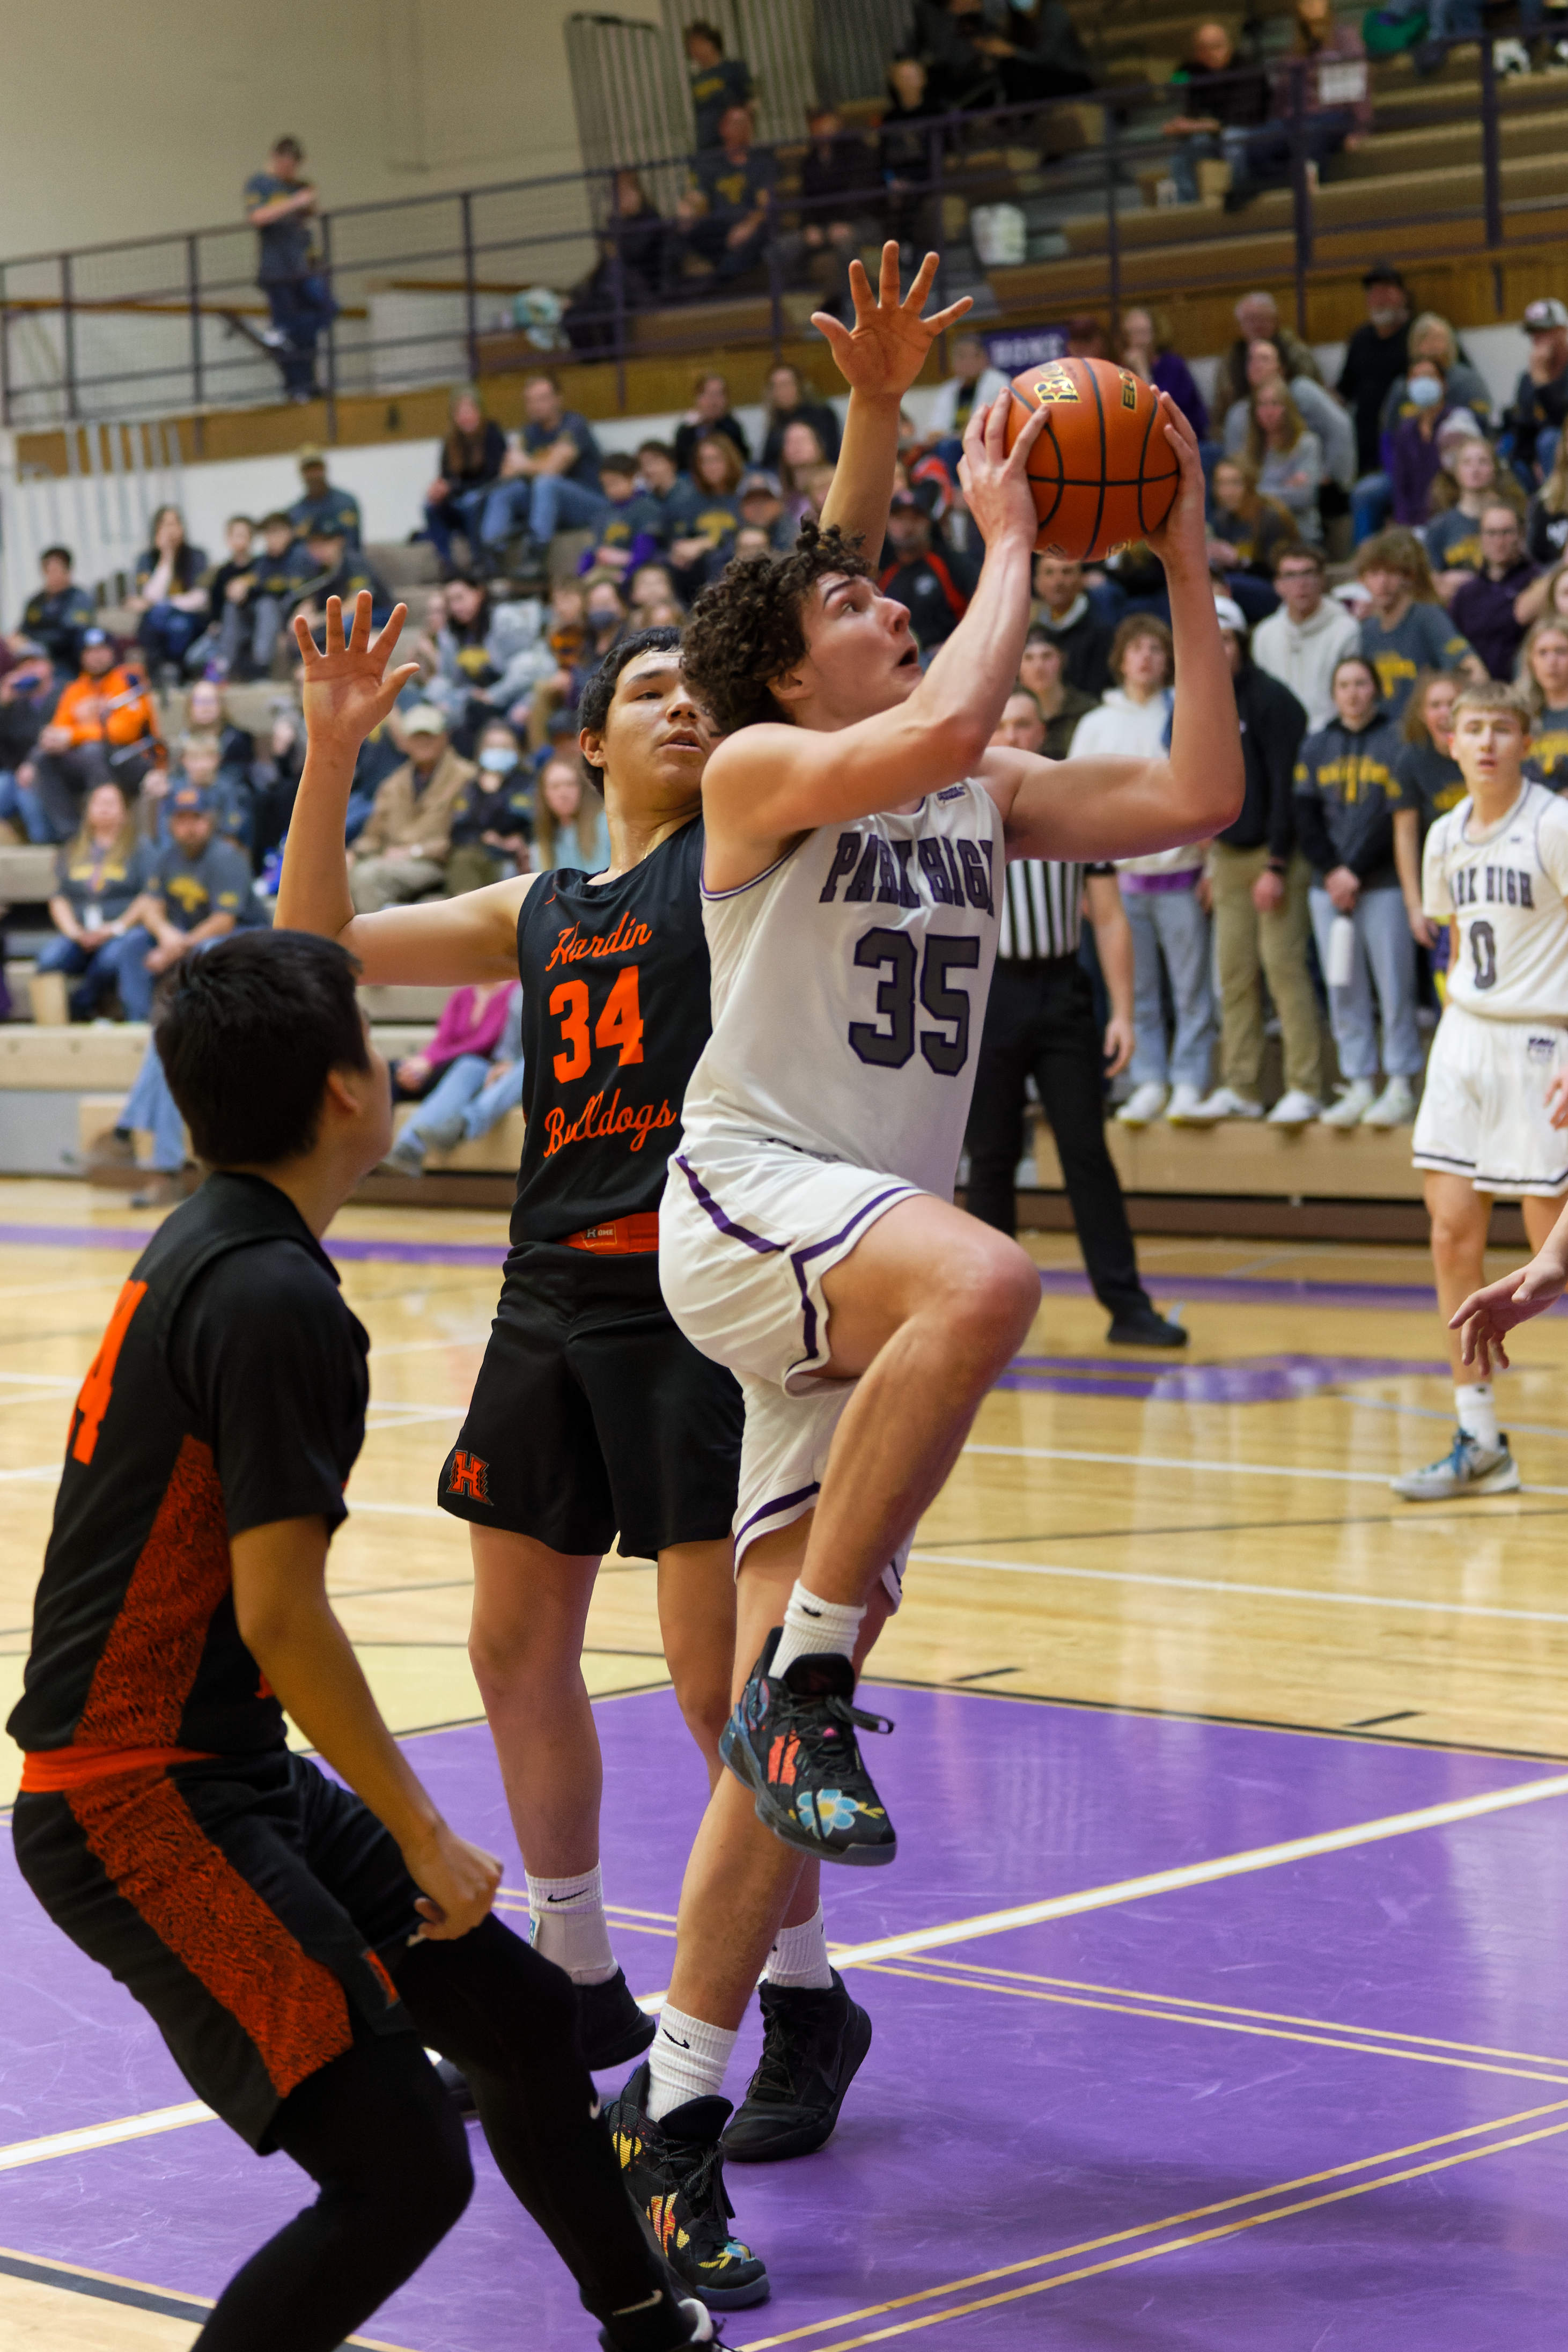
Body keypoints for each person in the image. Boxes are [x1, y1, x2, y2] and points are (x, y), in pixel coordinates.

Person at [276, 260, 970, 2287]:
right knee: (512, 1647)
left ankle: (800, 1994)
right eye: (646, 690)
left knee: (708, 1684)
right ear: (586, 742)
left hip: (704, 1283)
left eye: (699, 687)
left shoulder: (749, 840)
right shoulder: (543, 894)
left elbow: (810, 609)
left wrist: (870, 423)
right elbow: (313, 948)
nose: (682, 701)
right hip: (546, 1289)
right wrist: (329, 756)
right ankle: (575, 1974)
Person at [615, 385, 1239, 2274]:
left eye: (899, 592)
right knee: (989, 1275)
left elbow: (1196, 797)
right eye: (855, 604)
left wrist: (1185, 559)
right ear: (785, 678)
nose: (892, 603)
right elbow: (951, 716)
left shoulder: (980, 791)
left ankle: (670, 2118)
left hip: (853, 1268)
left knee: (761, 1754)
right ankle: (813, 1682)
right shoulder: (755, 774)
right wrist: (1017, 530)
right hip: (754, 1201)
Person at [9, 925, 715, 2352]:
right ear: (349, 1088)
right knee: (403, 2168)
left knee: (521, 2016)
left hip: (219, 1769)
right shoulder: (273, 1297)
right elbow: (280, 1613)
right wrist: (419, 1832)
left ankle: (650, 2325)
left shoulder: (227, 1242)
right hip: (132, 1803)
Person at [966, 685, 1187, 1344]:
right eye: (1003, 724)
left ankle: (1127, 1306)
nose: (1015, 734)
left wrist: (1124, 1012)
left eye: (1025, 724)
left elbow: (1110, 917)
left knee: (1087, 1152)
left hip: (1063, 990)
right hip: (989, 993)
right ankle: (984, 1316)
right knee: (992, 1156)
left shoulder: (1069, 803)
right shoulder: (961, 805)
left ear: (1043, 732)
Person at [1390, 684, 1568, 1500]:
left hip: (1543, 1041)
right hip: (1464, 1037)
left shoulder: (1553, 823)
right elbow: (1459, 944)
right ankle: (1479, 1438)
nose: (1486, 740)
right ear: (1449, 742)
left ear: (1527, 742)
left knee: (1550, 1248)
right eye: (1472, 728)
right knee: (1450, 1236)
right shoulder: (1441, 835)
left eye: (1502, 727)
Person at [1069, 616, 1216, 1127]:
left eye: (1155, 648)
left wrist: (1212, 867)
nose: (1146, 658)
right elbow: (1074, 803)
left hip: (1180, 875)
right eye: (1136, 649)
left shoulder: (1184, 712)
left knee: (1192, 989)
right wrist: (1084, 880)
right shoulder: (1096, 724)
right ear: (1120, 659)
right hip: (1121, 883)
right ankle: (1149, 1079)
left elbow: (1208, 790)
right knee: (1138, 991)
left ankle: (1191, 1081)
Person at [1194, 597, 1322, 1124]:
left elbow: (1288, 790)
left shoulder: (1274, 701)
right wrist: (1210, 856)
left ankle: (1305, 1086)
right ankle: (1241, 1086)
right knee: (1233, 974)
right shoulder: (1202, 699)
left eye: (1226, 640)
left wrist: (1275, 865)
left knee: (1284, 970)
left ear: (1241, 643)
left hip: (1277, 855)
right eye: (1211, 641)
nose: (1219, 650)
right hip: (1228, 854)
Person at [1294, 652, 1422, 1126]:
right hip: (1327, 889)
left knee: (1394, 987)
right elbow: (1304, 814)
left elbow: (1394, 818)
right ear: (1333, 693)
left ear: (1376, 689)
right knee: (1342, 986)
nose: (1352, 693)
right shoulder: (1316, 745)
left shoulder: (1397, 741)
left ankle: (1400, 1083)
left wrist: (1355, 871)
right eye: (1344, 685)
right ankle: (1358, 1082)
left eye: (1361, 684)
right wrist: (1332, 871)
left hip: (1382, 885)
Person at [115, 782, 258, 1019]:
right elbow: (151, 906)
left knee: (206, 952)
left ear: (210, 820)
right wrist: (166, 935)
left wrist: (176, 948)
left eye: (196, 818)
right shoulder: (166, 858)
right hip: (184, 934)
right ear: (170, 823)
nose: (189, 827)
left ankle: (201, 1023)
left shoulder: (227, 857)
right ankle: (138, 1022)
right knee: (134, 942)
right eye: (182, 819)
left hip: (239, 935)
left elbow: (224, 921)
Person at [1230, 0, 1370, 203]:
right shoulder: (1294, 49)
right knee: (1257, 145)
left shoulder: (1344, 38)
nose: (1311, 4)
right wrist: (1275, 121)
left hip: (1333, 114)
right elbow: (1282, 96)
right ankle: (1288, 181)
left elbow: (1359, 85)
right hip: (1294, 118)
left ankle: (1309, 194)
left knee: (1309, 138)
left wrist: (1360, 128)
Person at [35, 781, 153, 1019]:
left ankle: (82, 1003)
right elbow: (59, 898)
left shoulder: (141, 849)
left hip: (121, 931)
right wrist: (75, 932)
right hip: (79, 934)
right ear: (87, 810)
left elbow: (149, 898)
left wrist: (115, 928)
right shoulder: (72, 850)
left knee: (110, 960)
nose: (104, 809)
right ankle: (51, 1023)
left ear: (125, 812)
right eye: (99, 803)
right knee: (49, 958)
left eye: (111, 803)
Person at [28, 627, 160, 840]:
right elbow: (60, 728)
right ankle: (71, 835)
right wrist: (53, 739)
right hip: (91, 759)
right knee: (43, 758)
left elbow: (123, 732)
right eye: (90, 651)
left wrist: (76, 735)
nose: (97, 656)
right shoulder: (76, 689)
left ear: (112, 652)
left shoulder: (130, 679)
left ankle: (108, 833)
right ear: (82, 656)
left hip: (134, 757)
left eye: (102, 650)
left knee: (92, 750)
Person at [386, 981, 527, 1175]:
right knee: (467, 1066)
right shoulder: (474, 994)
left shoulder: (512, 990)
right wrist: (425, 1060)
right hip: (486, 1071)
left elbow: (485, 1042)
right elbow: (506, 1050)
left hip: (538, 1072)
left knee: (531, 1062)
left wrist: (430, 1062)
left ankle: (463, 1124)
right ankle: (407, 1147)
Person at [348, 704, 474, 913]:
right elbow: (373, 835)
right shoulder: (393, 784)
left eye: (429, 736)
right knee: (341, 872)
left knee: (367, 876)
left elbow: (465, 836)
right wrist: (354, 853)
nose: (423, 743)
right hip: (392, 861)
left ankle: (375, 934)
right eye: (417, 737)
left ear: (444, 737)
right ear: (405, 742)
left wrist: (415, 851)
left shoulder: (466, 777)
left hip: (438, 863)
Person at [480, 375, 605, 579]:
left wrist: (525, 465)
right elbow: (506, 473)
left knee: (546, 484)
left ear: (558, 399)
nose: (535, 406)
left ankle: (536, 556)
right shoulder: (528, 432)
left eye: (542, 399)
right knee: (505, 492)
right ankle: (492, 554)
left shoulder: (574, 425)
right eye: (530, 400)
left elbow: (553, 470)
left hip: (589, 503)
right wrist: (534, 466)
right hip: (548, 505)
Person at [244, 137, 334, 401]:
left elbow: (311, 214)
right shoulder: (260, 183)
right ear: (276, 158)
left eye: (294, 165)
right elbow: (258, 217)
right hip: (277, 270)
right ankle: (297, 387)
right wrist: (294, 202)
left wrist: (308, 200)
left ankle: (306, 382)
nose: (290, 169)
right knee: (290, 333)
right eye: (286, 163)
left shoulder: (298, 186)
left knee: (319, 315)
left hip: (303, 267)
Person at [1357, 527, 1477, 719]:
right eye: (1374, 573)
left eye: (1391, 573)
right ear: (1362, 580)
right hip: (1382, 731)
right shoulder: (1367, 629)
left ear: (1407, 577)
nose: (1382, 582)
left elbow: (1471, 670)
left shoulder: (1428, 617)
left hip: (1423, 729)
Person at [1161, 20, 1271, 205]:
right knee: (1181, 156)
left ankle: (1241, 198)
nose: (1210, 53)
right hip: (1214, 134)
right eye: (1202, 49)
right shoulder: (1192, 70)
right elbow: (1174, 85)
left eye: (1216, 47)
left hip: (1251, 131)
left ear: (1229, 45)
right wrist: (1180, 125)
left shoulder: (1247, 68)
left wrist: (1202, 126)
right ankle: (1190, 209)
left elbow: (1242, 117)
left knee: (1232, 140)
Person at [1252, 543, 1360, 729]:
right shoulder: (1264, 634)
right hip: (1279, 735)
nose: (1301, 583)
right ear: (1278, 585)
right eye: (1290, 575)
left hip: (1331, 733)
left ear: (1322, 580)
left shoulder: (1346, 629)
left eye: (1308, 574)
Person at [1339, 264, 1414, 529]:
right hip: (1366, 453)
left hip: (1407, 453)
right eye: (1374, 292)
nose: (1380, 298)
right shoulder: (1360, 339)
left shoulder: (1418, 335)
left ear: (1402, 295)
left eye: (1387, 291)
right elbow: (1344, 391)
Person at [1392, 669, 1464, 937]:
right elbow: (1405, 836)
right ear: (1422, 714)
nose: (1445, 713)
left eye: (1452, 704)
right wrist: (1415, 906)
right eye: (1435, 705)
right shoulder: (1411, 759)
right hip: (1440, 888)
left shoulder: (1481, 749)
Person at [673, 106, 776, 294]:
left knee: (755, 238)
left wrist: (748, 227)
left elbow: (765, 205)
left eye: (745, 123)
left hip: (752, 225)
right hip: (721, 226)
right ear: (723, 128)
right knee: (678, 232)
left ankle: (716, 284)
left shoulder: (762, 162)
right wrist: (689, 208)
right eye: (735, 123)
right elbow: (700, 198)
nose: (741, 128)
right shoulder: (711, 162)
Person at [793, 110, 880, 317]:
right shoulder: (810, 162)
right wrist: (809, 227)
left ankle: (865, 298)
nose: (823, 130)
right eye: (818, 126)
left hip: (862, 223)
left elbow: (863, 195)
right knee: (784, 248)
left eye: (827, 125)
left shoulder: (859, 153)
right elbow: (807, 201)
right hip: (824, 228)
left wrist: (844, 223)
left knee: (844, 245)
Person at [877, 487, 978, 652]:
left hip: (952, 654)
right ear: (887, 524)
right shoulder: (883, 573)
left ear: (928, 522)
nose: (907, 526)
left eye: (915, 518)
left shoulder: (951, 563)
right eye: (899, 518)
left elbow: (981, 611)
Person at [1206, 454, 1300, 623]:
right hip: (1235, 585)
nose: (1228, 491)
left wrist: (1240, 560)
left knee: (1226, 586)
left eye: (1235, 483)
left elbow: (1280, 570)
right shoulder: (1222, 519)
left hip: (1273, 588)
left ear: (1250, 485)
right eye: (1222, 484)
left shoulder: (1270, 518)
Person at [1449, 504, 1538, 681]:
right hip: (1476, 689)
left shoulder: (1537, 583)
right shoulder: (1466, 594)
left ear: (1521, 535)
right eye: (1491, 533)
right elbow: (1453, 647)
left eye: (1507, 532)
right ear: (1480, 537)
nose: (1499, 541)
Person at [423, 389, 508, 575]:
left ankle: (480, 561)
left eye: (469, 411)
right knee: (430, 506)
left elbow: (493, 475)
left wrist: (454, 488)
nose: (465, 417)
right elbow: (446, 476)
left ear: (479, 411)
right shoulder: (450, 441)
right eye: (460, 413)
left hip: (487, 494)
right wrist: (439, 489)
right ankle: (446, 562)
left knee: (471, 501)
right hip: (459, 498)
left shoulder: (492, 433)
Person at [445, 719, 534, 894]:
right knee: (464, 858)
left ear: (517, 750)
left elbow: (528, 821)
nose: (498, 752)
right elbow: (459, 830)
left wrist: (512, 839)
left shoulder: (527, 783)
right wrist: (485, 836)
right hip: (477, 854)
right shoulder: (470, 786)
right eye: (492, 746)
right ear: (481, 751)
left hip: (515, 855)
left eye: (505, 747)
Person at [1427, 431, 1516, 595]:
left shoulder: (1511, 518)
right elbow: (1431, 582)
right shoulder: (1439, 526)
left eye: (1483, 462)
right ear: (1456, 471)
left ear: (1495, 469)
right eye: (1467, 463)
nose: (1475, 469)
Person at [128, 506, 210, 679]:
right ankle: (165, 671)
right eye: (165, 525)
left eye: (174, 524)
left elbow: (200, 598)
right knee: (155, 618)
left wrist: (168, 603)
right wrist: (166, 557)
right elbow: (152, 596)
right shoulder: (147, 559)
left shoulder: (197, 556)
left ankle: (174, 668)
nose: (170, 530)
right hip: (158, 620)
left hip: (190, 619)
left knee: (177, 623)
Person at [1214, 290, 1322, 416]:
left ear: (1276, 321)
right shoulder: (1231, 359)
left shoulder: (1294, 349)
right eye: (1251, 320)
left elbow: (1316, 391)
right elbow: (1222, 409)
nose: (1257, 325)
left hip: (1296, 416)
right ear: (1240, 325)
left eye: (1263, 319)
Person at [1245, 379, 1325, 545]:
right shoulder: (1251, 448)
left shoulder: (1306, 443)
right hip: (1258, 535)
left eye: (1275, 404)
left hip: (1300, 534)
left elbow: (1305, 497)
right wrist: (1284, 488)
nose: (1269, 412)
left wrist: (1258, 494)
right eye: (1262, 405)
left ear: (1288, 408)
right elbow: (1240, 497)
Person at [1502, 296, 1568, 489]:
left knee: (1549, 440)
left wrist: (1542, 382)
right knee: (1506, 449)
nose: (1537, 339)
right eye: (1533, 333)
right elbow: (1524, 422)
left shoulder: (1539, 374)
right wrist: (1528, 457)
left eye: (1544, 332)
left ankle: (1555, 502)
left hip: (1561, 443)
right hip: (1537, 449)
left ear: (1562, 331)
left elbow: (1562, 419)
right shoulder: (1527, 377)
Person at [667, 436, 744, 597]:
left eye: (716, 460)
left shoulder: (746, 495)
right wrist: (679, 550)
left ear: (730, 460)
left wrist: (707, 543)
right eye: (704, 461)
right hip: (698, 577)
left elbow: (752, 536)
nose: (710, 467)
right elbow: (678, 538)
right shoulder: (688, 501)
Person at [1118, 306, 1209, 440]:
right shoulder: (1122, 371)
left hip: (1186, 439)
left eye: (1143, 333)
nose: (1138, 341)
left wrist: (1142, 371)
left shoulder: (1173, 365)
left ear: (1155, 334)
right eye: (1132, 334)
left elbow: (1162, 414)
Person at [1028, 552, 1113, 693]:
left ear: (1081, 580)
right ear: (1037, 583)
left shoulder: (1101, 632)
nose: (1058, 582)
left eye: (1066, 572)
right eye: (1049, 573)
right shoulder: (1031, 632)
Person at [19, 546, 96, 679]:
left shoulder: (79, 599)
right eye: (47, 570)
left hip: (67, 663)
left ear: (68, 571)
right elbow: (24, 629)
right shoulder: (36, 601)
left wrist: (33, 641)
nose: (51, 575)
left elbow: (70, 634)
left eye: (56, 570)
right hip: (34, 661)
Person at [585, 453, 665, 580]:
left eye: (615, 483)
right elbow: (593, 551)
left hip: (636, 571)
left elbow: (645, 550)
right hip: (605, 571)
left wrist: (626, 572)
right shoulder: (603, 513)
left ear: (632, 478)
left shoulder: (647, 508)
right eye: (606, 485)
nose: (611, 489)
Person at [532, 753, 613, 874]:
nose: (563, 793)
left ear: (582, 789)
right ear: (544, 794)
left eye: (570, 784)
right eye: (555, 787)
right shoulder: (541, 845)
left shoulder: (605, 824)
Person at [924, 332, 1008, 446]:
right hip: (953, 445)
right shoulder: (949, 389)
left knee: (948, 446)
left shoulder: (997, 382)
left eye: (968, 356)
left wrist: (953, 435)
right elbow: (933, 432)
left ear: (983, 358)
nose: (964, 362)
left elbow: (983, 426)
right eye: (959, 357)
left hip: (985, 444)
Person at [1018, 630, 1096, 753]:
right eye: (1029, 658)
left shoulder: (1088, 712)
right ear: (1017, 666)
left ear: (1062, 660)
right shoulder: (1006, 713)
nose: (1039, 666)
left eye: (1047, 656)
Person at [684, 18, 751, 154]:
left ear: (711, 43)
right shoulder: (695, 79)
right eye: (691, 46)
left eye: (698, 43)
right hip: (706, 146)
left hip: (732, 144)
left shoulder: (733, 69)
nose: (694, 50)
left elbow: (749, 105)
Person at [760, 364, 842, 471]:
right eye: (775, 387)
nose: (782, 391)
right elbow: (767, 462)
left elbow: (832, 454)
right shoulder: (776, 422)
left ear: (799, 386)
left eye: (786, 384)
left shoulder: (822, 414)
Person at [1520, 613, 1568, 787]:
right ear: (1531, 661)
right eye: (1543, 653)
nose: (1552, 662)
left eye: (1561, 652)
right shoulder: (1521, 715)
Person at [672, 376, 749, 475]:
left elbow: (742, 460)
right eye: (708, 394)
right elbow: (681, 464)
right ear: (698, 398)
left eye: (719, 394)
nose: (714, 401)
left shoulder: (732, 427)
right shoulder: (686, 429)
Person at [289, 449, 362, 549]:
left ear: (324, 469)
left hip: (344, 558)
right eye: (308, 470)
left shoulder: (345, 503)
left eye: (317, 469)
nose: (314, 475)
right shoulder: (295, 513)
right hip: (309, 559)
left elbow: (352, 544)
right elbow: (297, 549)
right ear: (302, 474)